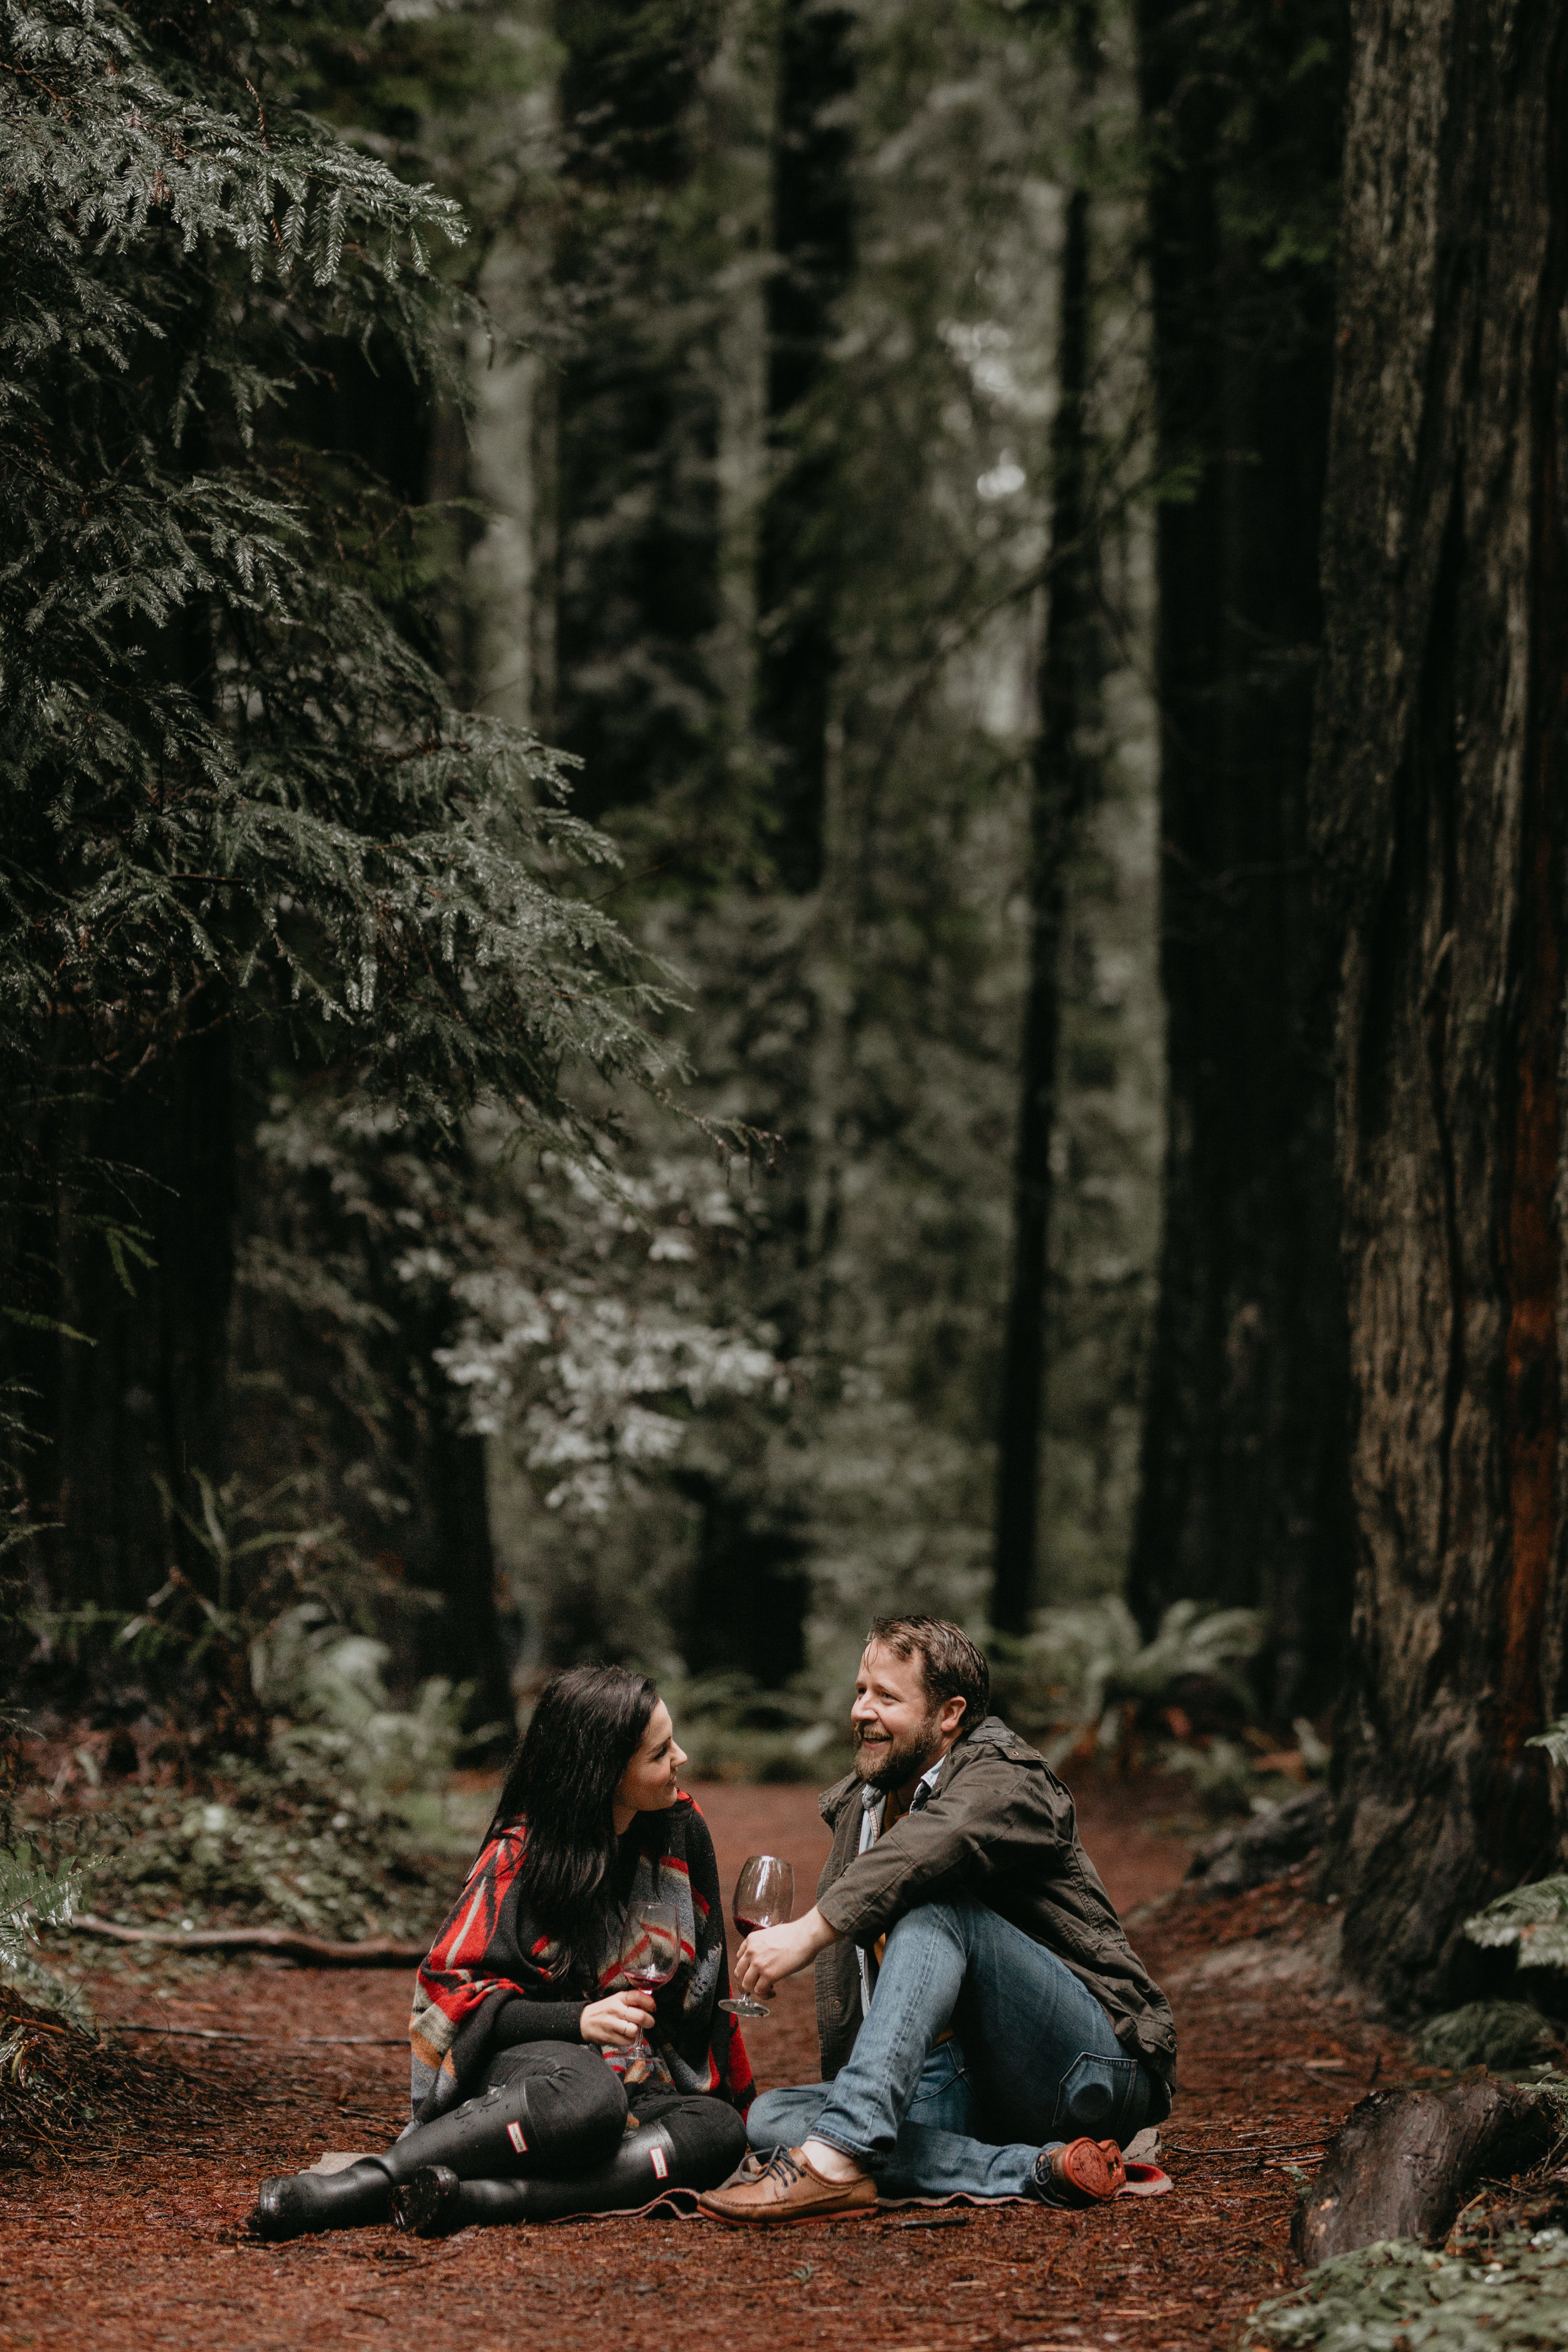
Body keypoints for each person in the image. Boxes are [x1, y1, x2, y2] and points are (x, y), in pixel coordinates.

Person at [699, 1616, 1176, 2225]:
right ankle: (1037, 2169)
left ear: (949, 1714)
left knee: (933, 1907)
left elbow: (937, 1841)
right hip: (965, 2081)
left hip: (1085, 2064)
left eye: (886, 1697)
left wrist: (812, 1928)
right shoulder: (865, 1801)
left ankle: (835, 2162)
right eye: (860, 1691)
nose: (861, 1711)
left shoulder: (1008, 1777)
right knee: (774, 2120)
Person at [249, 1666, 752, 2241]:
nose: (681, 1759)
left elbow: (703, 1986)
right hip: (525, 2070)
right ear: (605, 1771)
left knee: (718, 2129)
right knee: (589, 2097)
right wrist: (578, 2019)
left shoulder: (678, 1833)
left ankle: (484, 2200)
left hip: (636, 2076)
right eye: (660, 1752)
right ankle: (363, 2184)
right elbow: (447, 1999)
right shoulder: (522, 1855)